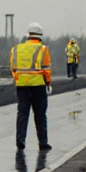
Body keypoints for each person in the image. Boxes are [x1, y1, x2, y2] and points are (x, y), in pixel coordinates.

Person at [10, 22, 52, 151]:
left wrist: (18, 79)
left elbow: (13, 67)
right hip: (38, 85)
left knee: (22, 113)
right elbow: (46, 69)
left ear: (28, 34)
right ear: (40, 35)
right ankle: (43, 142)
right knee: (40, 114)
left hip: (22, 85)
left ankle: (20, 141)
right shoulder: (43, 49)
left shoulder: (16, 49)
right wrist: (48, 83)